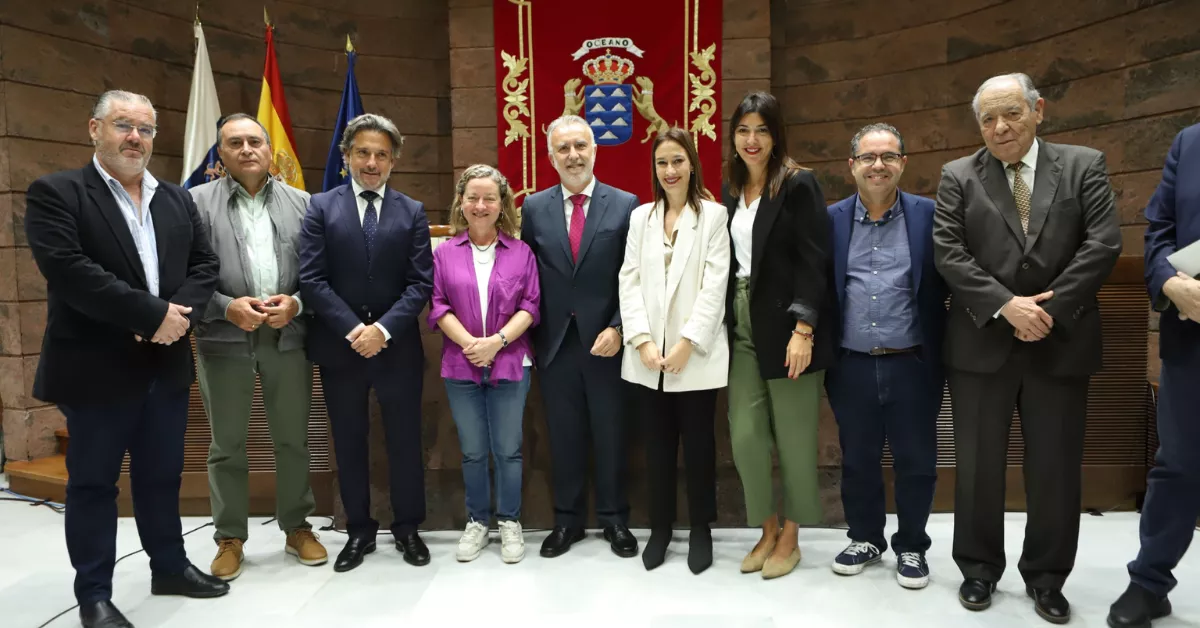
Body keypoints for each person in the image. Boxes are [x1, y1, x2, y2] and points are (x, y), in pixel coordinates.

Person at [23, 90, 227, 628]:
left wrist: (175, 318)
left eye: (145, 129)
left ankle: (170, 567)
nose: (135, 138)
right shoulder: (58, 193)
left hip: (167, 363)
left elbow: (205, 264)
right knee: (93, 484)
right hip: (96, 368)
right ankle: (93, 593)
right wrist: (148, 316)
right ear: (94, 129)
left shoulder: (177, 198)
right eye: (123, 126)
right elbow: (68, 270)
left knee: (162, 475)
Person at [933, 72, 1121, 623]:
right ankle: (977, 568)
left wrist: (1046, 310)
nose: (1000, 127)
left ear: (1038, 109)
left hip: (1060, 342)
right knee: (976, 468)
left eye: (1011, 113)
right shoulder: (957, 176)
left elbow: (1103, 243)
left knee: (1056, 469)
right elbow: (949, 252)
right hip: (981, 344)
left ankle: (1046, 578)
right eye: (988, 118)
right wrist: (1005, 306)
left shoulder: (1084, 164)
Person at [189, 113, 326, 581]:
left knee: (292, 439)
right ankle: (230, 537)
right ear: (221, 153)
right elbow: (181, 276)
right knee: (227, 444)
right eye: (235, 143)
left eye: (254, 141)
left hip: (287, 336)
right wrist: (226, 307)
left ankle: (297, 527)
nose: (247, 149)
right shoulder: (193, 204)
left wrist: (299, 303)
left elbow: (320, 272)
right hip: (223, 338)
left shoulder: (305, 203)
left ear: (270, 151)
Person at [298, 113, 434, 572]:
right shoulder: (320, 207)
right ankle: (358, 529)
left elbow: (420, 284)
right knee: (349, 441)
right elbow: (312, 279)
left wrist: (383, 330)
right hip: (341, 347)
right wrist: (356, 330)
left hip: (397, 348)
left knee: (404, 442)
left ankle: (408, 527)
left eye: (381, 154)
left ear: (393, 160)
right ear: (347, 157)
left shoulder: (412, 211)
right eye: (363, 153)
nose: (371, 162)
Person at [824, 123, 946, 589]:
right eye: (869, 157)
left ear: (903, 163)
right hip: (850, 361)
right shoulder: (831, 219)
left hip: (913, 361)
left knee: (917, 459)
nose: (879, 165)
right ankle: (865, 538)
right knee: (858, 457)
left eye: (889, 156)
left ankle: (912, 545)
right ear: (851, 165)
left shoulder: (929, 216)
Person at [723, 92, 835, 580]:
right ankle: (765, 527)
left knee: (792, 438)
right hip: (741, 322)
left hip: (789, 324)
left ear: (776, 134)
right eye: (744, 130)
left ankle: (791, 535)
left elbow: (816, 260)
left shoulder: (797, 184)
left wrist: (804, 328)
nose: (752, 140)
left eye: (762, 130)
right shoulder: (731, 190)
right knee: (746, 436)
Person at [519, 114, 640, 558]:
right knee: (563, 436)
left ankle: (614, 520)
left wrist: (619, 327)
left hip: (607, 341)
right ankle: (566, 522)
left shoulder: (626, 204)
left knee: (611, 434)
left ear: (595, 151)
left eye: (580, 146)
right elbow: (529, 275)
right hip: (555, 344)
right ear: (551, 157)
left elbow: (636, 276)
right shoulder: (532, 208)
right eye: (563, 148)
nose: (573, 155)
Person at [618, 128, 731, 574]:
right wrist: (642, 340)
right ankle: (660, 529)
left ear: (692, 164)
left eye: (678, 161)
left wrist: (688, 342)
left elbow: (714, 285)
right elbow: (629, 280)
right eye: (662, 162)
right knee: (657, 449)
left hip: (694, 356)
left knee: (700, 448)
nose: (670, 171)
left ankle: (701, 528)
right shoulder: (640, 218)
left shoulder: (714, 217)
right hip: (648, 359)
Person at [1107, 122, 1200, 628]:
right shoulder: (1190, 142)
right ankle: (1149, 582)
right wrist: (1168, 281)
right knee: (1178, 464)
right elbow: (1160, 229)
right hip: (1192, 336)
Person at [428, 164, 540, 565]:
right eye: (473, 197)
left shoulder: (521, 252)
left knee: (508, 450)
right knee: (473, 451)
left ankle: (509, 521)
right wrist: (472, 344)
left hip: (511, 363)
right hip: (461, 366)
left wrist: (497, 342)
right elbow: (438, 305)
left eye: (489, 198)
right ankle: (478, 520)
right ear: (462, 202)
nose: (480, 205)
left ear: (502, 203)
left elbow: (531, 306)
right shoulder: (444, 253)